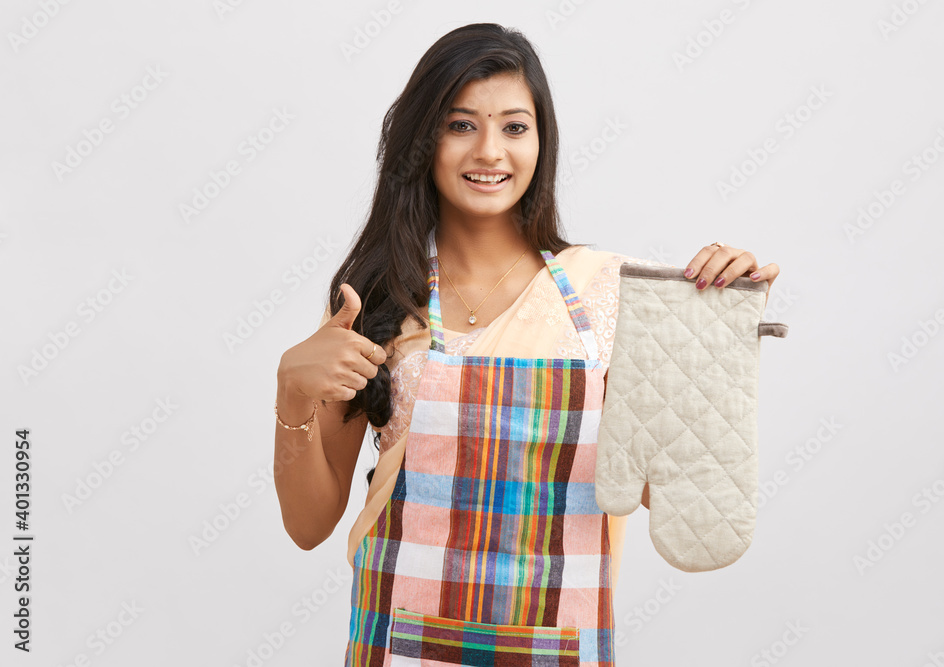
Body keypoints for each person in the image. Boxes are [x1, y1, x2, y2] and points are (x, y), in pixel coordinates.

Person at [273, 22, 779, 666]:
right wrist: (291, 392)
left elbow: (668, 491)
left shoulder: (612, 294)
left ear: (542, 142)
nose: (490, 151)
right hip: (396, 645)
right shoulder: (376, 299)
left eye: (514, 127)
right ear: (423, 140)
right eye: (461, 125)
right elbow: (308, 525)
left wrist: (711, 337)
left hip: (557, 647)